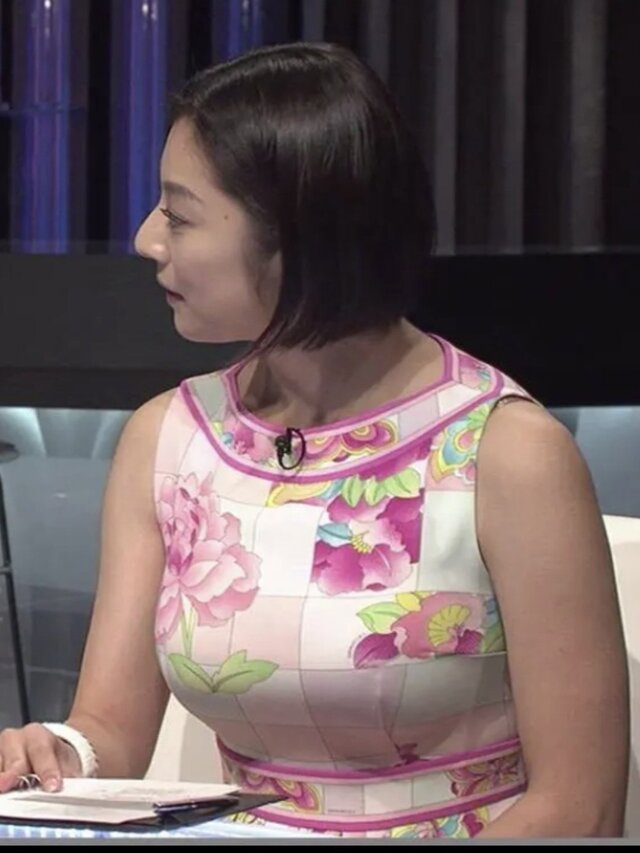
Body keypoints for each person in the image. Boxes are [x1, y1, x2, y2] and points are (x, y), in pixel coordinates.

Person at [0, 42, 630, 839]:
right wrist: (59, 752)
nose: (146, 239)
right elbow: (112, 731)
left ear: (298, 233)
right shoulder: (167, 439)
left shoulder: (507, 452)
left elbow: (580, 806)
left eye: (179, 215)